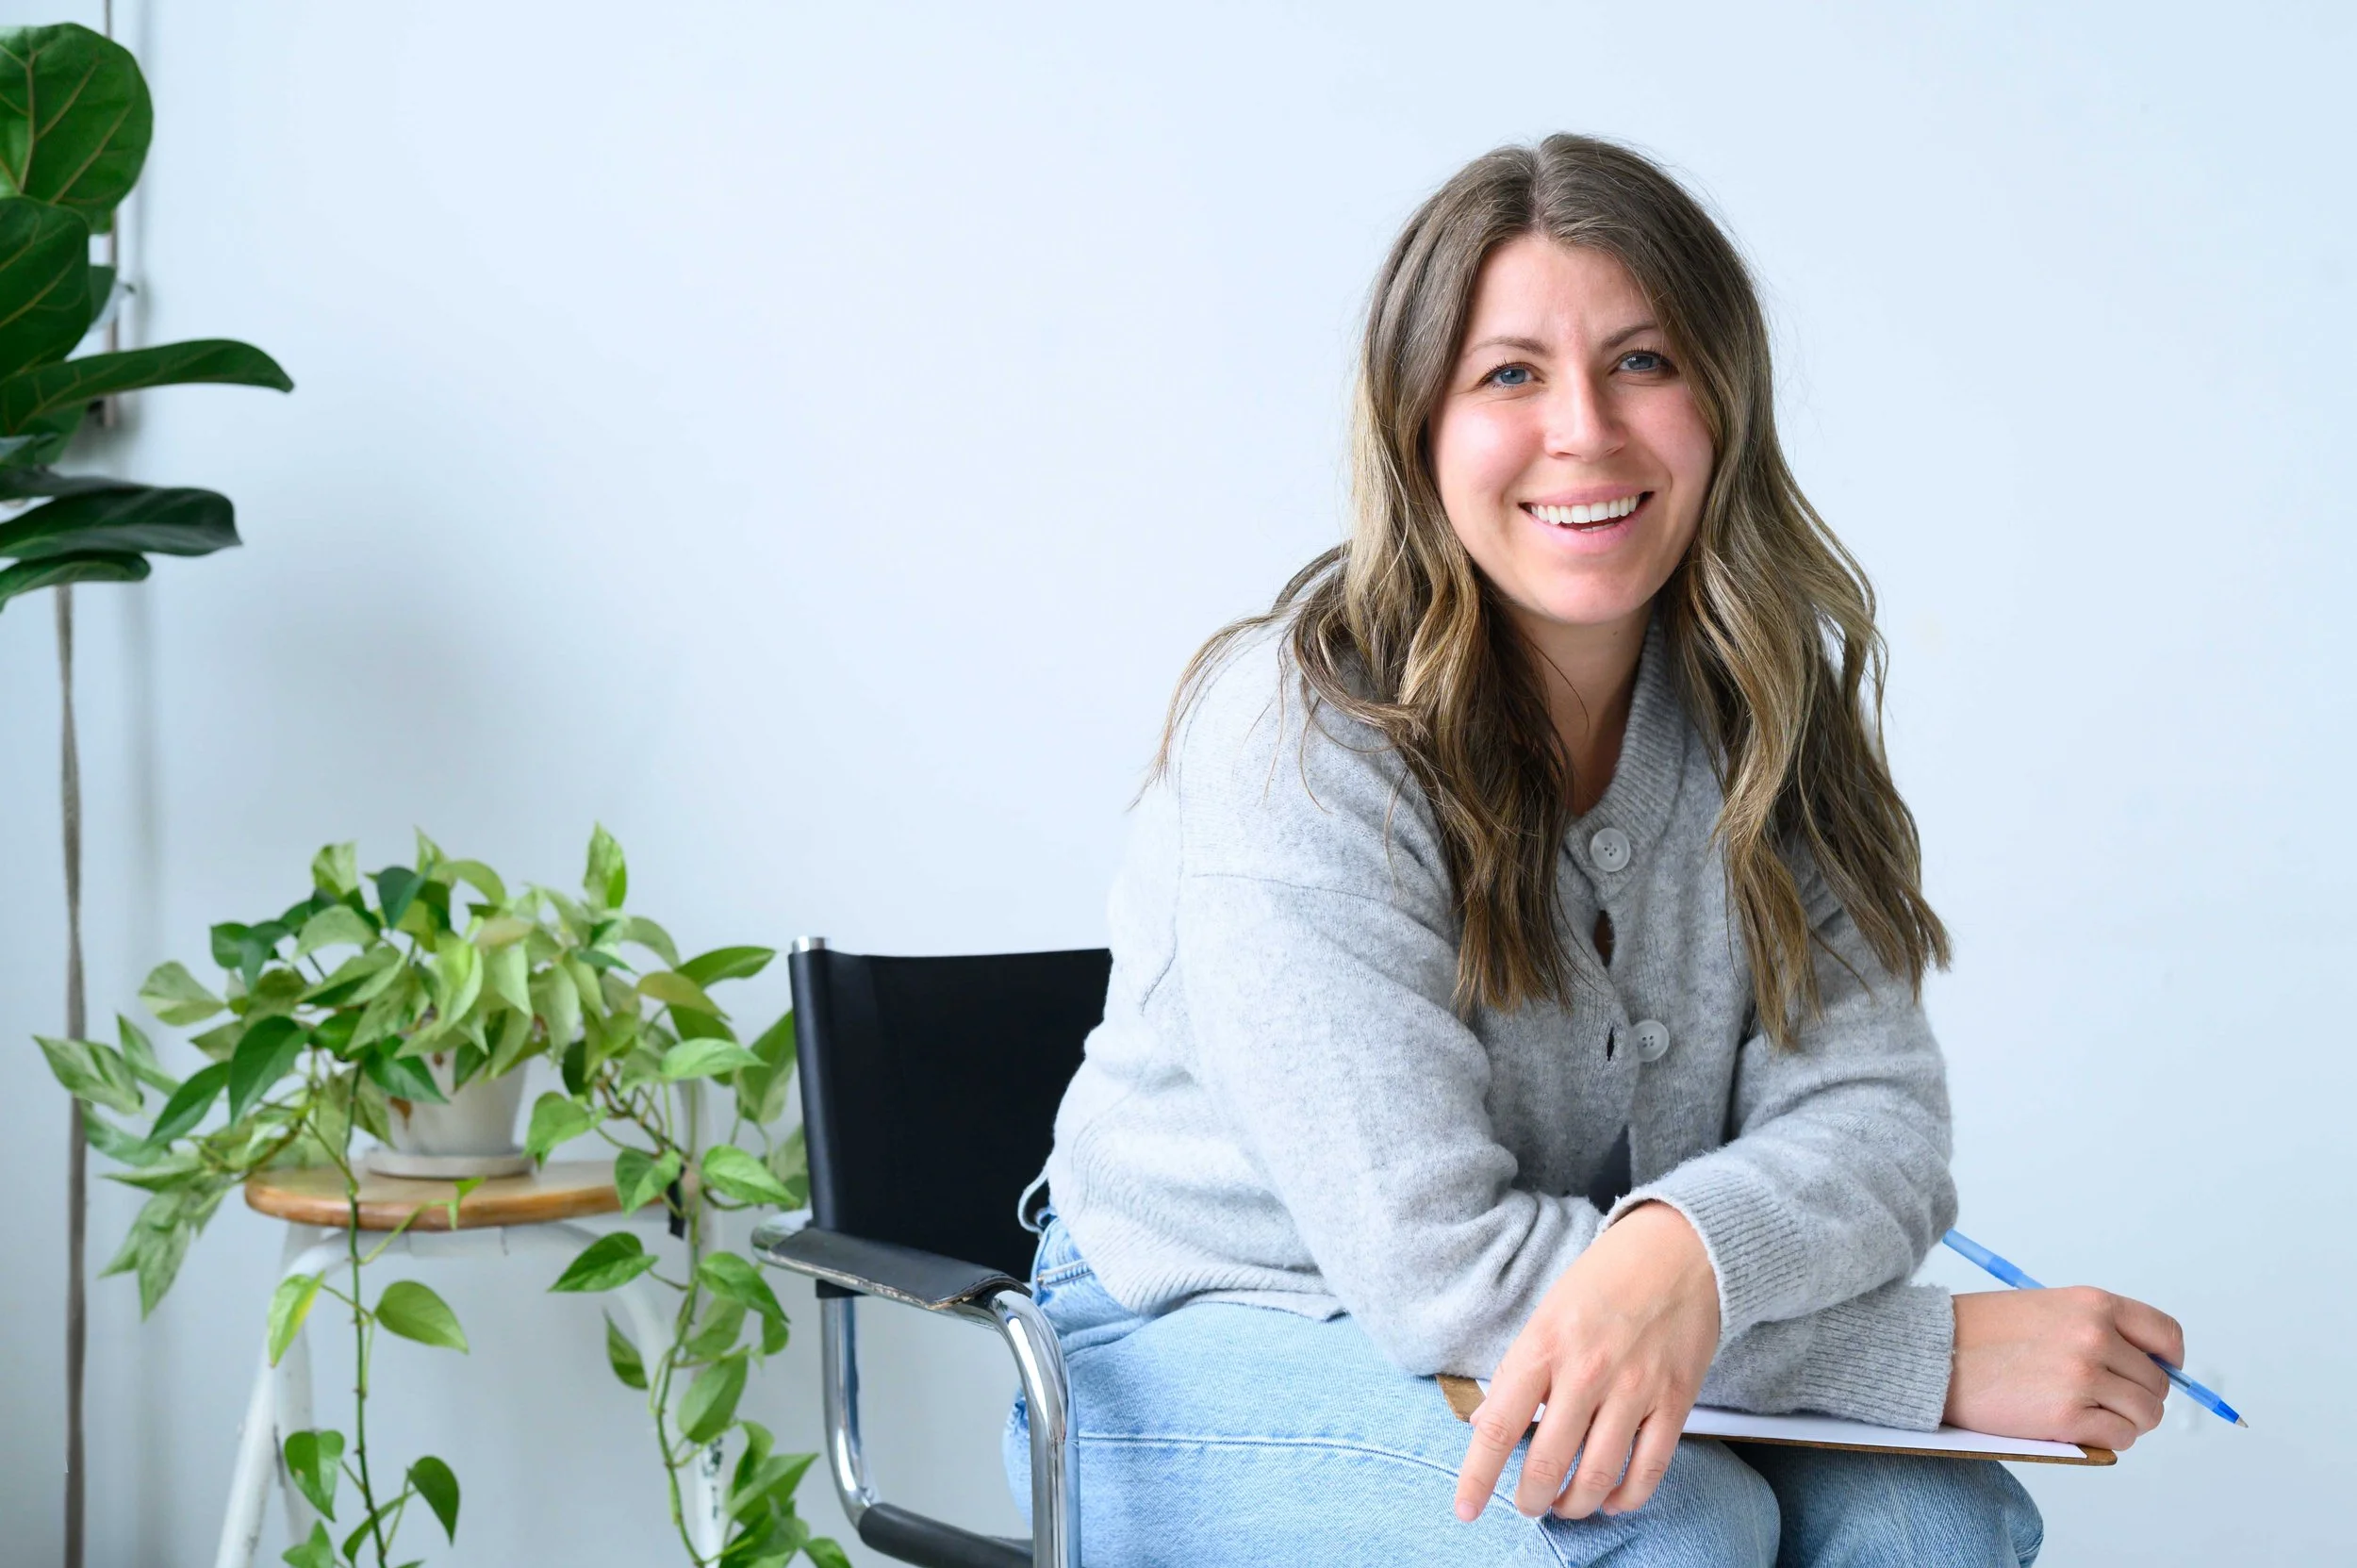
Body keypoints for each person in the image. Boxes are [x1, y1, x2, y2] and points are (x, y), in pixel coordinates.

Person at [1003, 133, 2184, 1566]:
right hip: (1188, 1343)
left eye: (1642, 361)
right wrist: (1921, 1356)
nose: (1586, 429)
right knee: (1663, 1530)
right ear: (1418, 423)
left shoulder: (1766, 700)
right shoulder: (1301, 735)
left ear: (1722, 399)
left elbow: (1875, 1126)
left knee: (1936, 1520)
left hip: (1543, 1319)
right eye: (1510, 373)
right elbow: (1442, 1276)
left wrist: (1682, 1253)